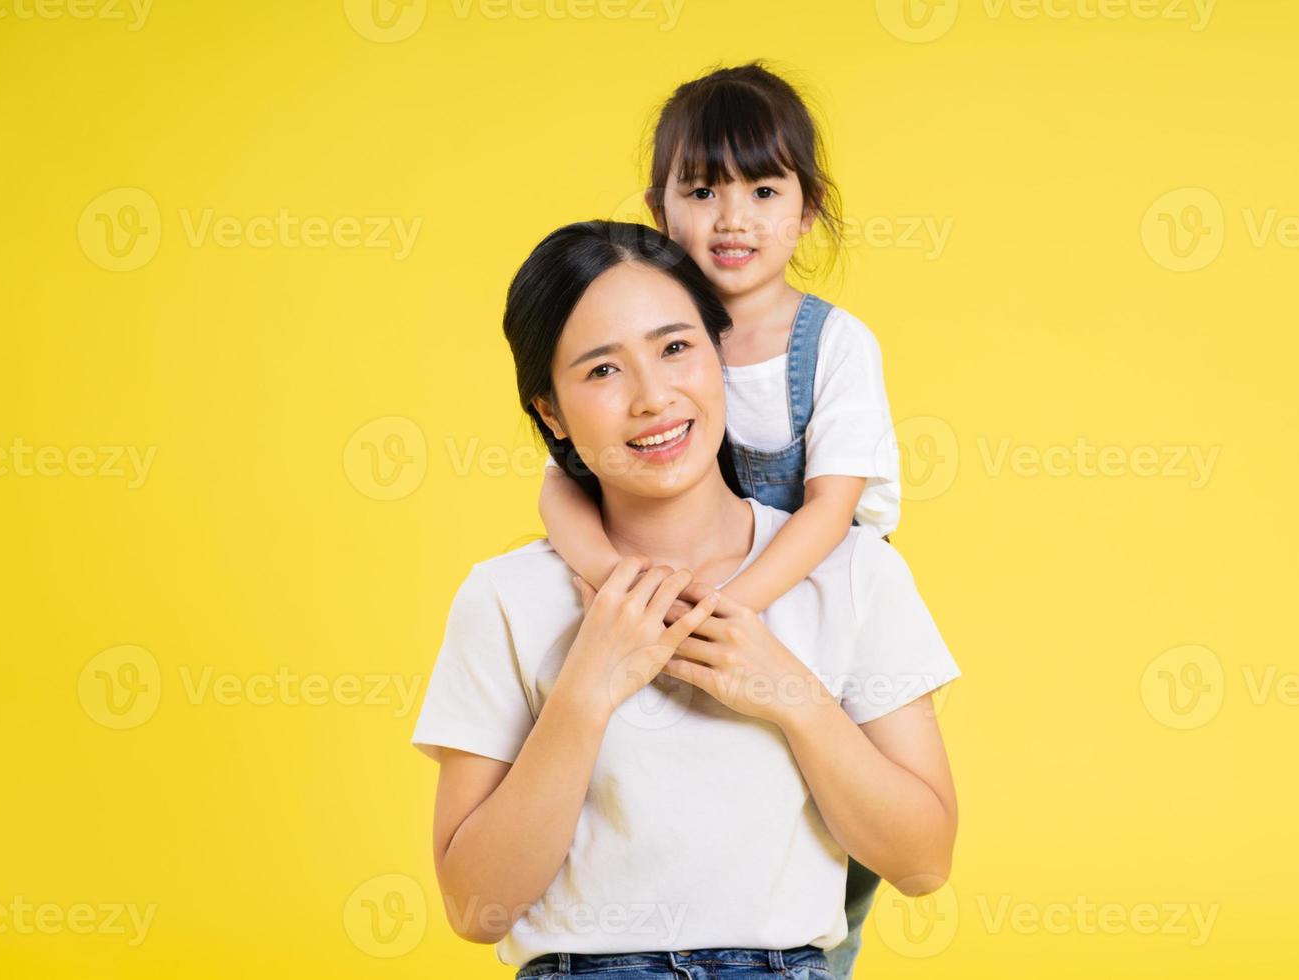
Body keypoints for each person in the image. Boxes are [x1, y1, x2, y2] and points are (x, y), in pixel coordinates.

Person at [411, 220, 959, 978]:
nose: (653, 397)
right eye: (602, 371)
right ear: (551, 413)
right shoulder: (506, 597)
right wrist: (583, 695)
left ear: (721, 355)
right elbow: (476, 910)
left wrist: (789, 693)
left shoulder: (854, 573)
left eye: (675, 348)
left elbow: (924, 862)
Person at [538, 67, 903, 975]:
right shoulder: (638, 328)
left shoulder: (834, 343)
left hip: (811, 587)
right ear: (662, 209)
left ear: (809, 209)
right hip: (687, 586)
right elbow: (559, 489)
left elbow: (831, 508)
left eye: (764, 190)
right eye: (703, 191)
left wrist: (726, 610)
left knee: (835, 818)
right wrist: (611, 588)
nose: (732, 219)